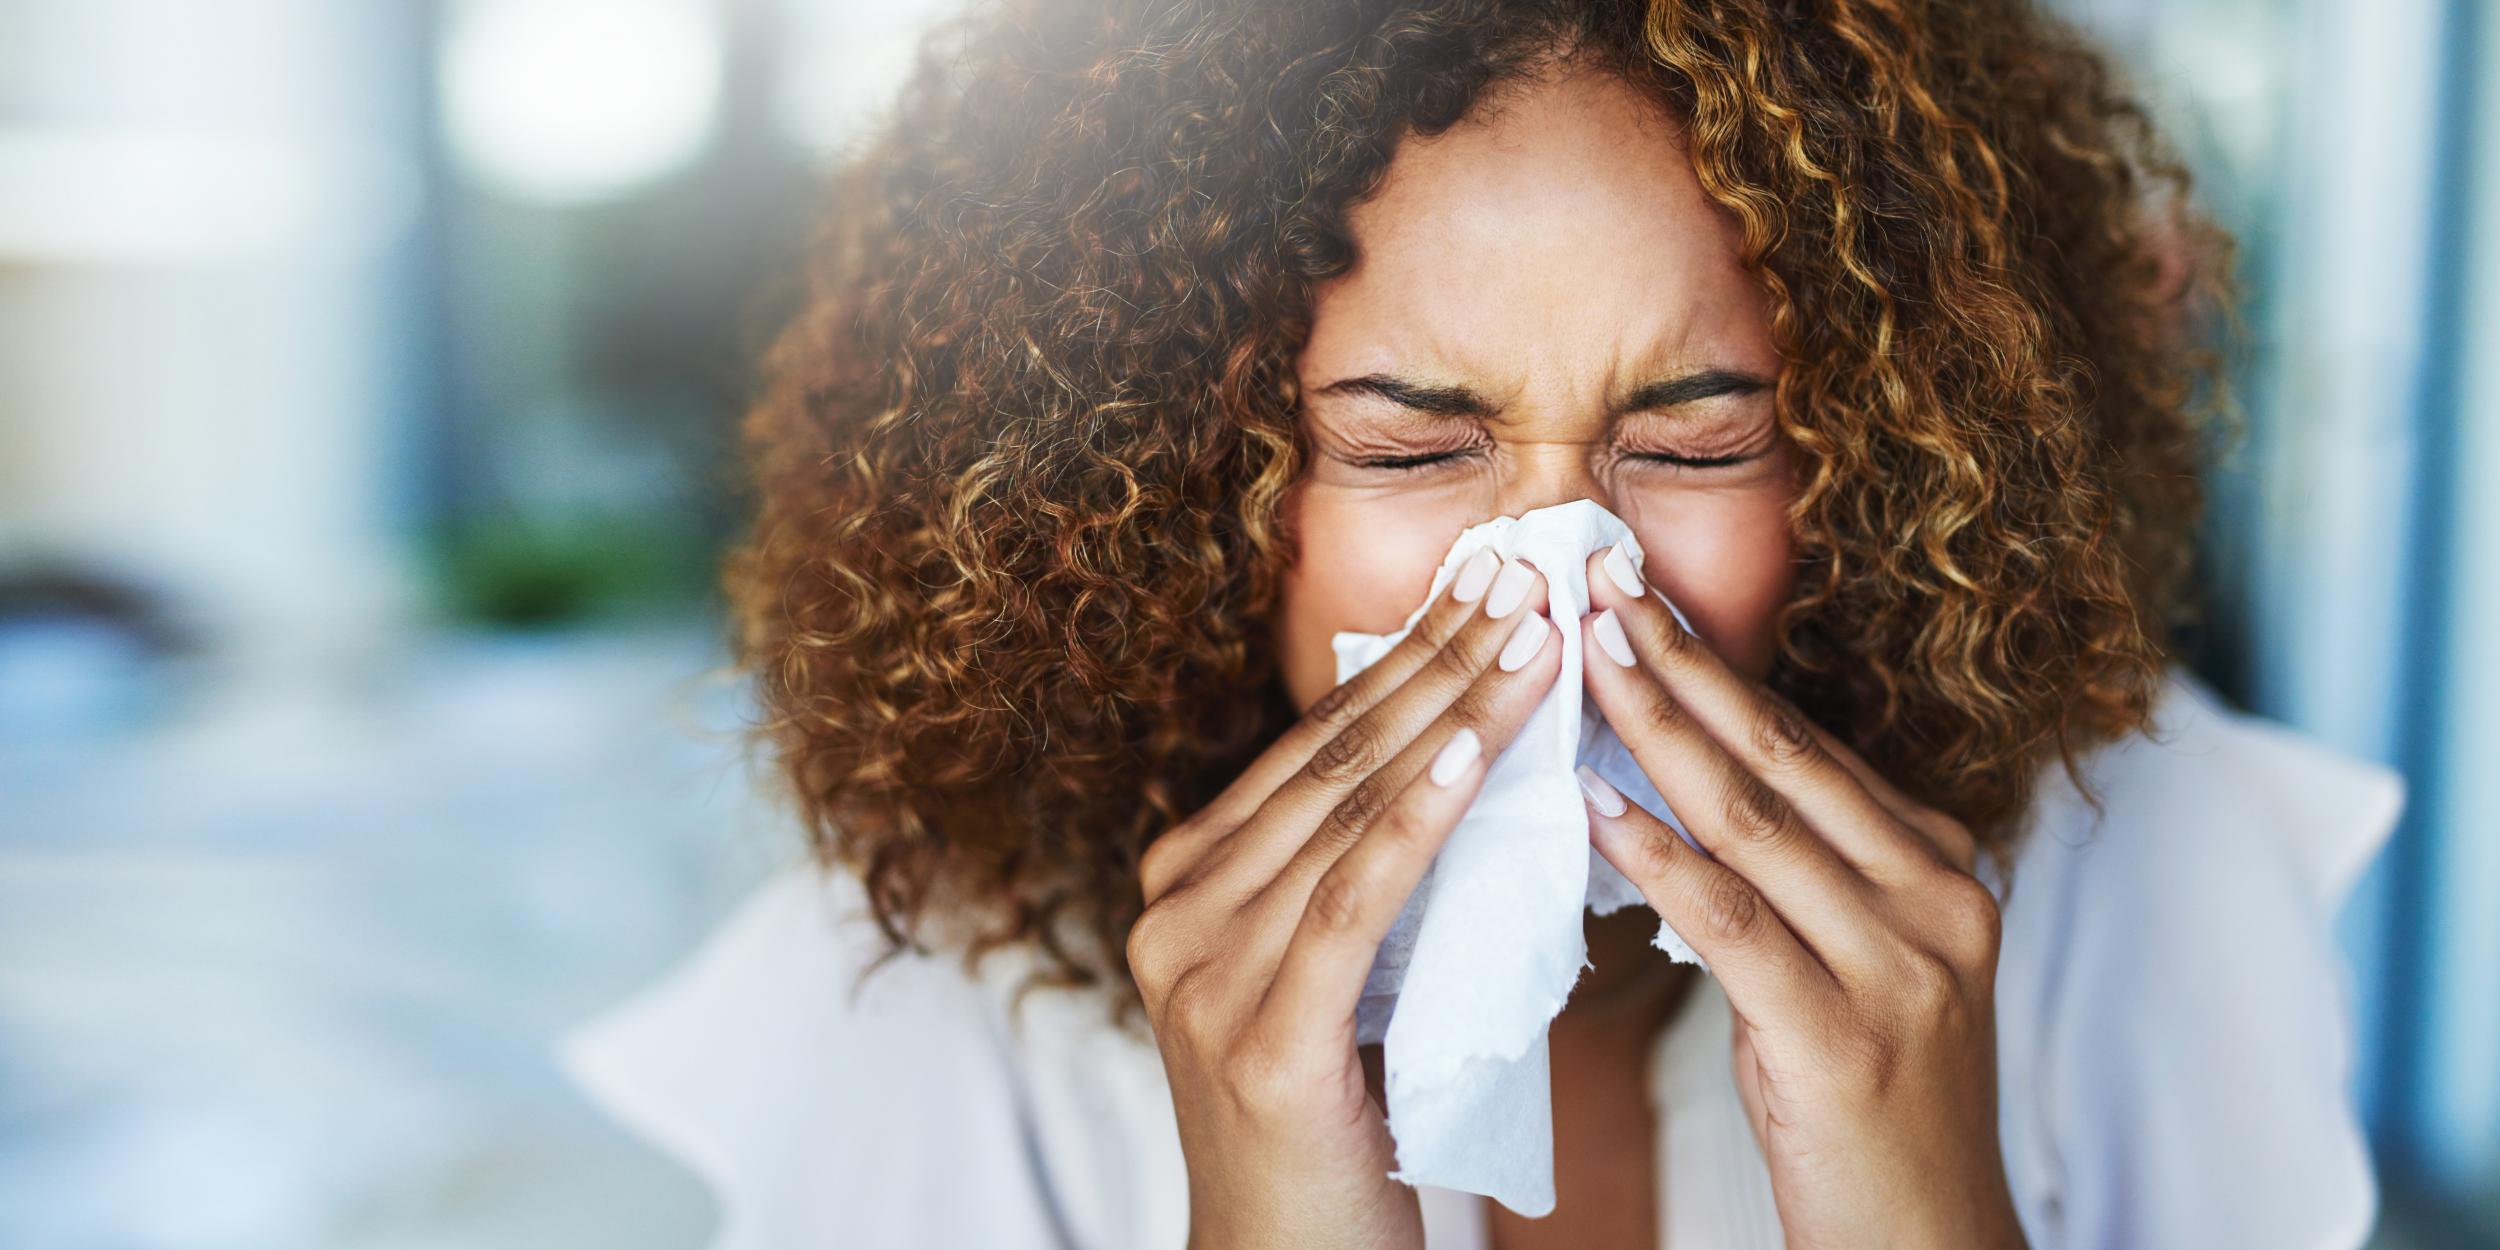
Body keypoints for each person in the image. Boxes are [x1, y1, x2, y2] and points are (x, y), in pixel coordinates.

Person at [559, 1, 2404, 1246]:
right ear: (1175, 488)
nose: (1559, 576)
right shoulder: (925, 1017)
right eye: (1406, 446)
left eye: (1695, 438)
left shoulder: (2151, 880)